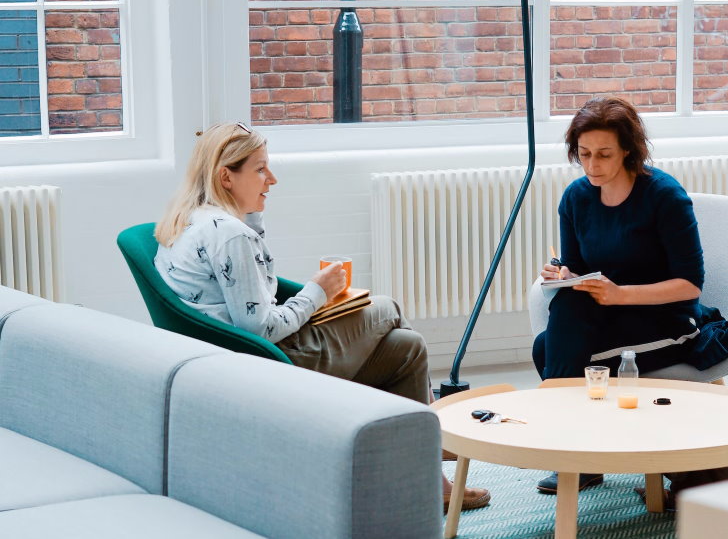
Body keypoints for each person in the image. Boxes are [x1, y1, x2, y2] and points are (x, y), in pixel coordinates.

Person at [154, 121, 489, 512]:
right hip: (271, 362)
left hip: (235, 358)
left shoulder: (195, 220)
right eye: (260, 169)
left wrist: (256, 224)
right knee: (387, 307)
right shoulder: (231, 236)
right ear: (226, 176)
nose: (272, 179)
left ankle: (427, 477)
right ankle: (435, 440)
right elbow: (259, 327)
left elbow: (251, 298)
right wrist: (317, 291)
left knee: (407, 347)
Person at [532, 97, 705, 495]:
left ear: (628, 149)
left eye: (604, 154)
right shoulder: (576, 197)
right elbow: (575, 267)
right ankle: (580, 452)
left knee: (548, 350)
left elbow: (691, 284)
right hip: (608, 315)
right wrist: (562, 274)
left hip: (667, 321)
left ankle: (573, 452)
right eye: (584, 154)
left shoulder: (664, 196)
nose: (592, 165)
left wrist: (620, 294)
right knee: (554, 332)